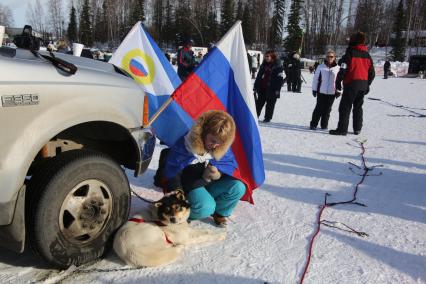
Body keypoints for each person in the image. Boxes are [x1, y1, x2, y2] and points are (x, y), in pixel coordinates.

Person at [157, 110, 245, 227]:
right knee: (206, 207)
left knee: (238, 187)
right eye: (213, 140)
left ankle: (219, 212)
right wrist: (177, 191)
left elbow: (229, 166)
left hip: (209, 184)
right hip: (190, 185)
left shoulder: (220, 147)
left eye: (219, 143)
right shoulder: (186, 144)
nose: (215, 145)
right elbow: (174, 170)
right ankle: (181, 216)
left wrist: (218, 174)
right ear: (204, 131)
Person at [330, 32, 375, 136]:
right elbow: (372, 73)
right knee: (358, 107)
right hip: (362, 85)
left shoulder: (350, 54)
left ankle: (342, 129)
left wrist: (338, 82)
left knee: (345, 107)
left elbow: (343, 70)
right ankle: (357, 128)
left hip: (352, 84)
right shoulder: (367, 55)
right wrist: (367, 84)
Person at [310, 50, 341, 130]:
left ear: (334, 58)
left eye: (331, 56)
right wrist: (314, 89)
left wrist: (339, 91)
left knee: (327, 110)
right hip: (321, 92)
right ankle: (313, 124)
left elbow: (340, 81)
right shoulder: (320, 67)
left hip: (332, 92)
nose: (329, 58)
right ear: (326, 57)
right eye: (328, 56)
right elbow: (316, 79)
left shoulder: (338, 68)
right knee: (318, 108)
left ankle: (324, 125)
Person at [253, 50, 285, 123]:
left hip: (272, 88)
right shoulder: (263, 65)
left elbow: (280, 79)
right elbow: (258, 77)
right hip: (262, 87)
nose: (266, 58)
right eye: (265, 56)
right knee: (259, 103)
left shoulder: (278, 66)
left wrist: (277, 89)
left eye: (268, 56)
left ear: (272, 57)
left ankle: (267, 118)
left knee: (270, 104)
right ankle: (255, 115)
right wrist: (255, 86)